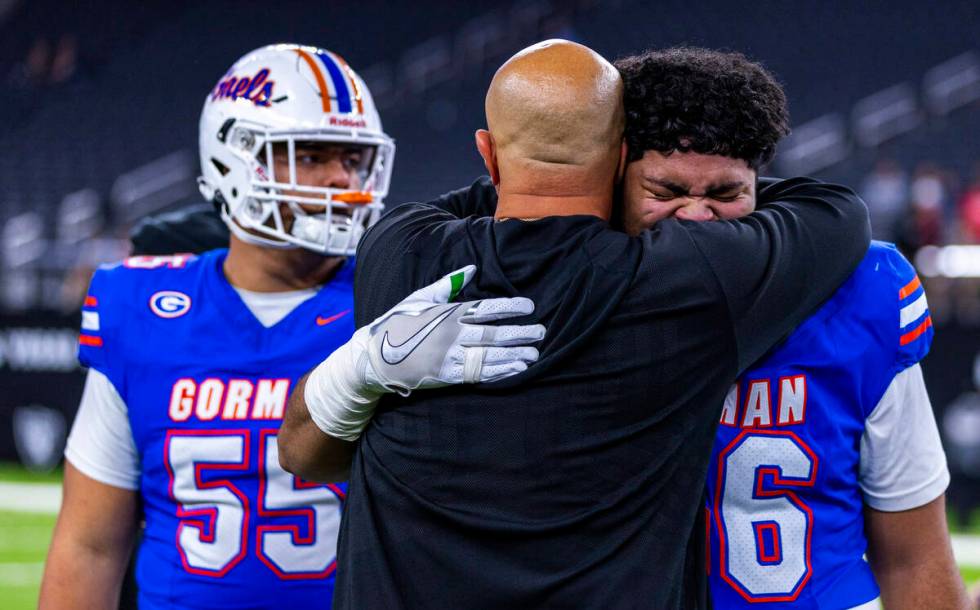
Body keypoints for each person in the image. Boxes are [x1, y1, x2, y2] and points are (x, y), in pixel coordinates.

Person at [278, 39, 870, 609]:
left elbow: (311, 456)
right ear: (620, 161)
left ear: (487, 154)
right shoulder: (695, 281)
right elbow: (836, 213)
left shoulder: (396, 254)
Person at [38, 43, 538, 610]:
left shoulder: (400, 298)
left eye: (353, 160)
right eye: (312, 156)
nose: (341, 180)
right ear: (233, 160)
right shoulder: (140, 306)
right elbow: (90, 544)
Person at [613, 48, 966, 610]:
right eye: (667, 192)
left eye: (725, 194)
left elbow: (913, 554)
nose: (697, 217)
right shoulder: (574, 283)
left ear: (760, 185)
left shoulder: (858, 290)